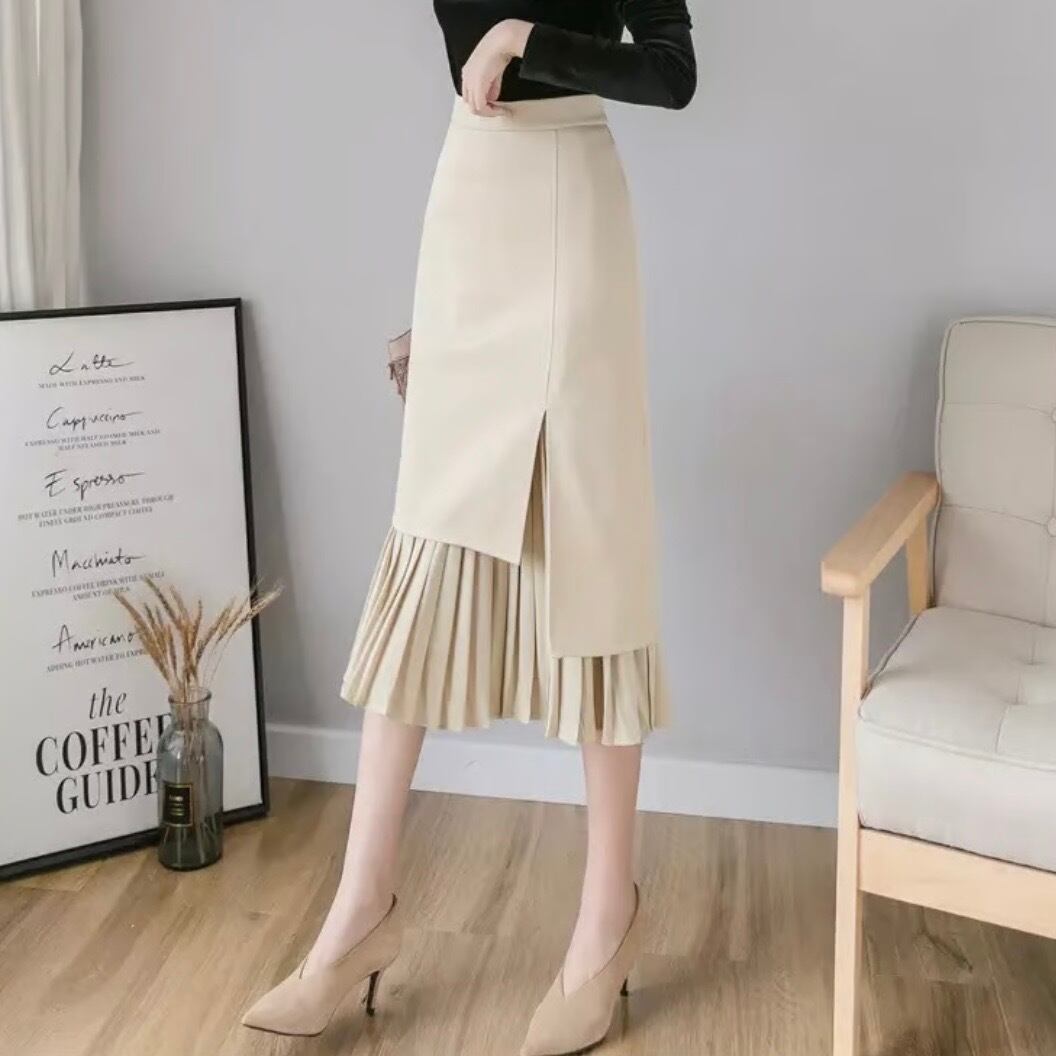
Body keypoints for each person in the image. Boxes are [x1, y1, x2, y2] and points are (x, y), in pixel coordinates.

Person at [241, 4, 696, 1053]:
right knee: (428, 536)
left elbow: (671, 74)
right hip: (470, 204)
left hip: (572, 208)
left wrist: (524, 37)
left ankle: (607, 917)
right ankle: (360, 912)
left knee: (592, 545)